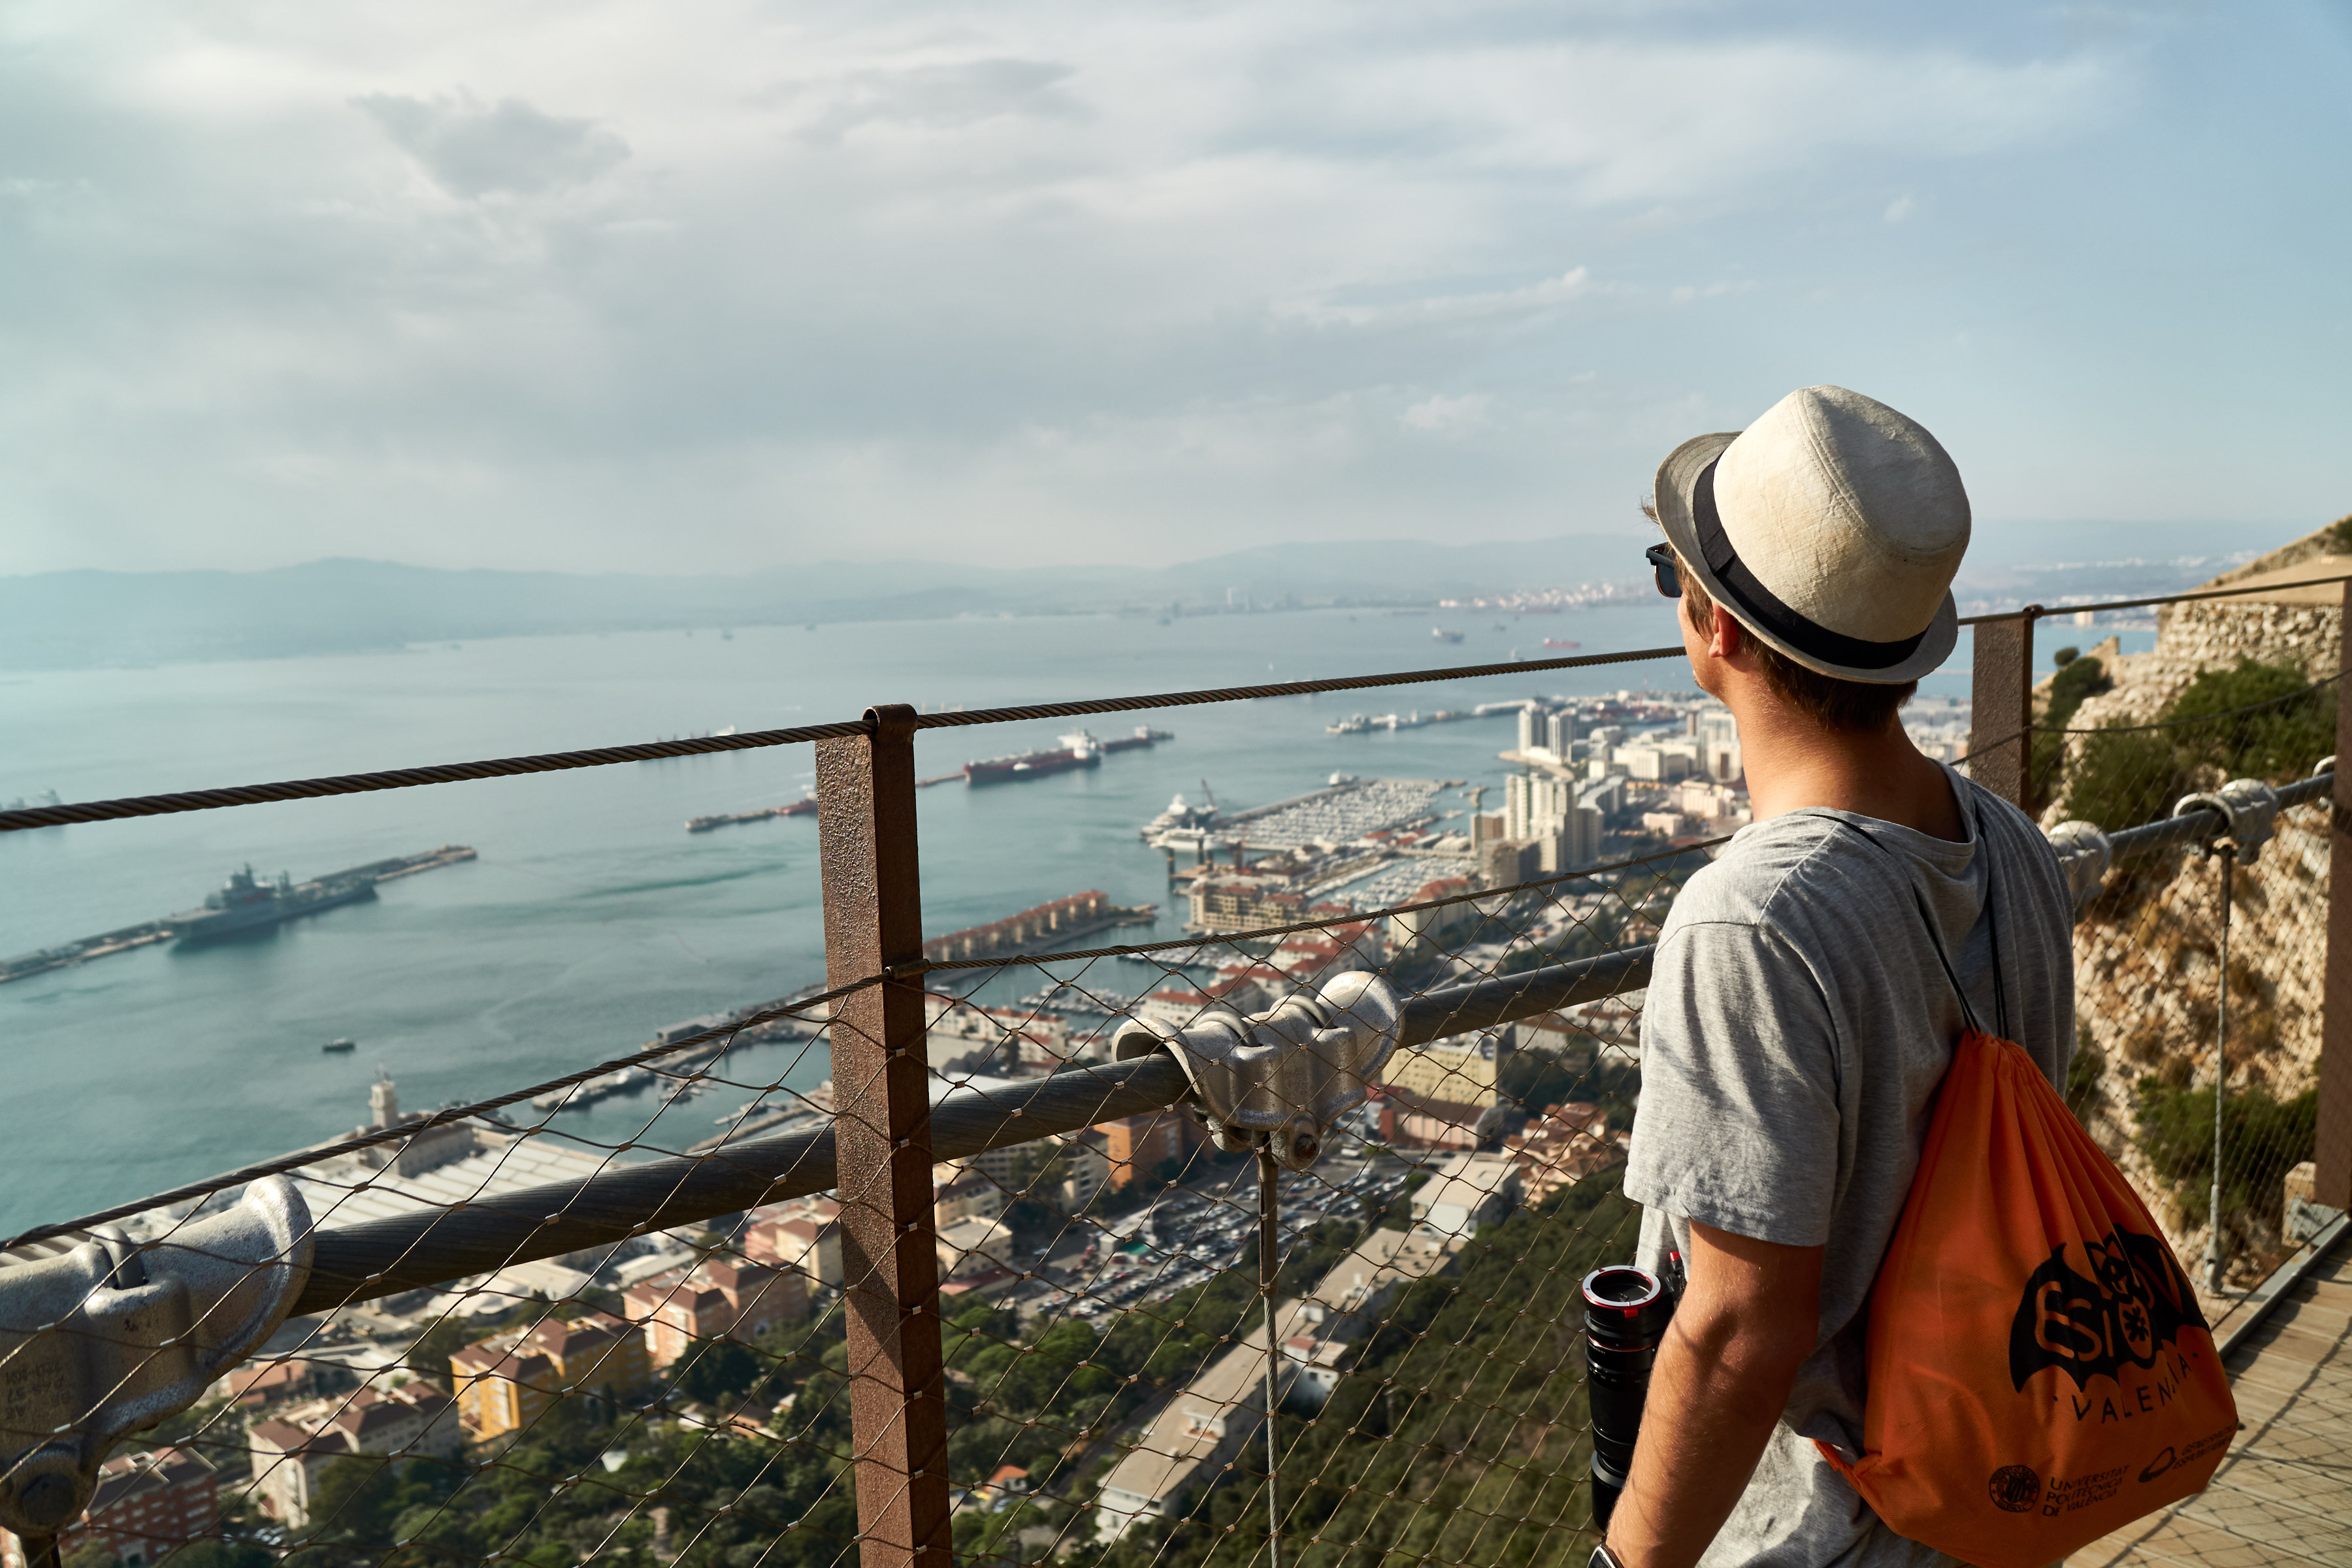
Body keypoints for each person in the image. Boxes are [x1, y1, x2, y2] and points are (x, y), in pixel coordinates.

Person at [1602, 386, 2077, 1568]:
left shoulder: (1752, 922)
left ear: (1718, 628)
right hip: (1993, 1483)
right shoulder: (2009, 842)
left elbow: (1737, 1331)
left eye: (1674, 574)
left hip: (1826, 1532)